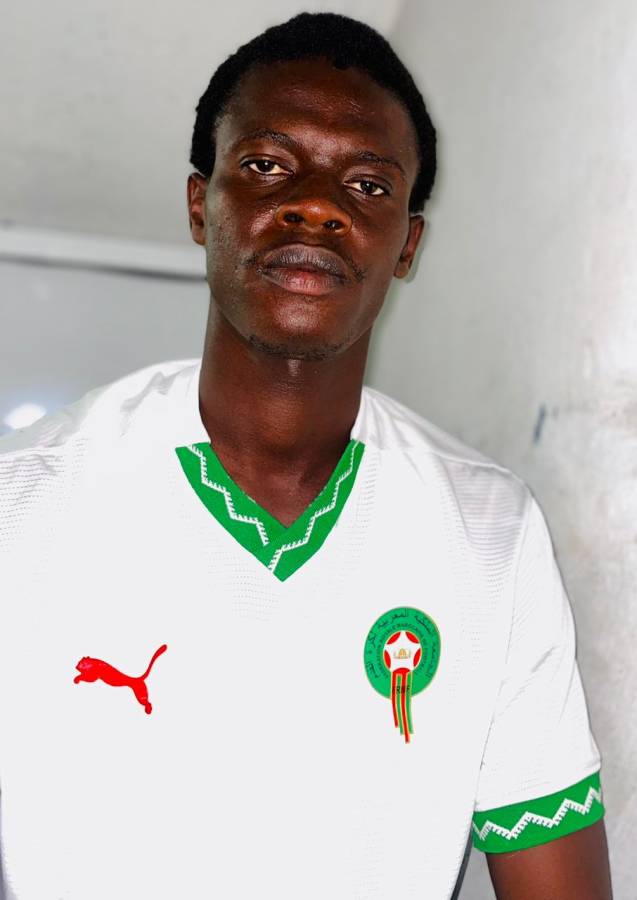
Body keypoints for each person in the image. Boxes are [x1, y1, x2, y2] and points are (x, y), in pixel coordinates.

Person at [0, 12, 612, 900]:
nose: (318, 205)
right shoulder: (22, 504)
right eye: (266, 166)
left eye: (367, 184)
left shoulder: (491, 532)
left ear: (406, 246)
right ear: (200, 205)